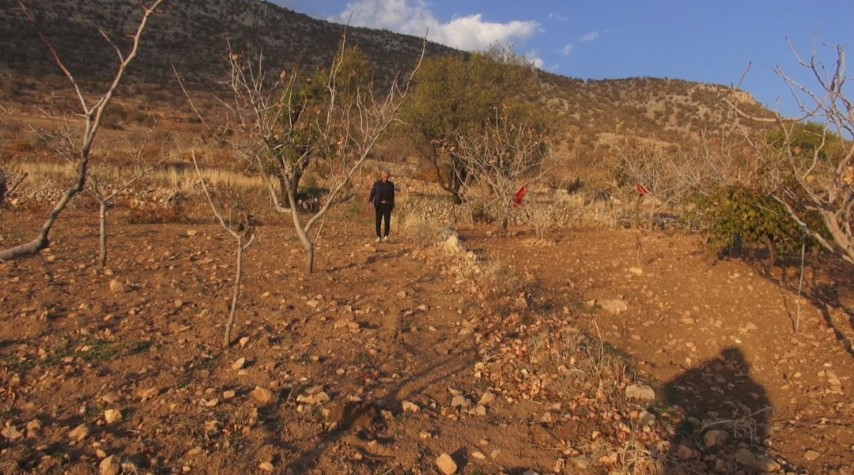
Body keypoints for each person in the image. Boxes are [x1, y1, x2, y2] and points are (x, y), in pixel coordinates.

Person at [368, 170, 395, 242]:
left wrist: (392, 205)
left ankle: (386, 236)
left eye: (387, 177)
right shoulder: (377, 184)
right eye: (385, 176)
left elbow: (392, 196)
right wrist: (370, 201)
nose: (386, 178)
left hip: (387, 205)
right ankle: (378, 236)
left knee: (387, 221)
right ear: (382, 176)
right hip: (379, 205)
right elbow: (372, 193)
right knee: (378, 221)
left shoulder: (391, 185)